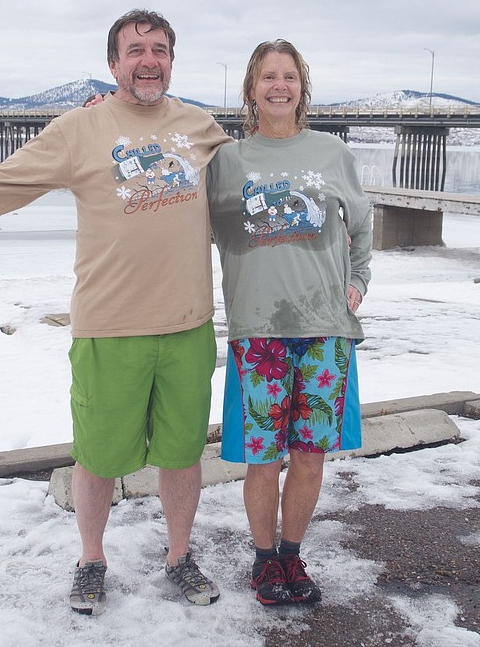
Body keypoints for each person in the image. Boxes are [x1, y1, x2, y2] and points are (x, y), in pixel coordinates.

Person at [0, 9, 231, 616]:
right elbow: (0, 186)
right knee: (96, 456)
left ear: (172, 60)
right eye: (135, 49)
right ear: (113, 63)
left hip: (187, 325)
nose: (148, 59)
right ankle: (92, 560)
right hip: (109, 326)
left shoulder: (200, 127)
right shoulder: (80, 129)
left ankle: (179, 557)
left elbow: (254, 193)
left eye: (159, 49)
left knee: (181, 454)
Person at [206, 40, 372, 605]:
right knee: (263, 456)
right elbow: (178, 223)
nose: (280, 86)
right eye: (269, 77)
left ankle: (292, 556)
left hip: (326, 327)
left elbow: (364, 228)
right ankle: (262, 561)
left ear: (303, 87)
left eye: (290, 76)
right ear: (251, 89)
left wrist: (360, 281)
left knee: (308, 453)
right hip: (259, 329)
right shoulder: (228, 162)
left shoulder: (332, 153)